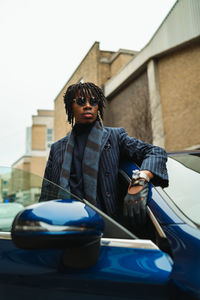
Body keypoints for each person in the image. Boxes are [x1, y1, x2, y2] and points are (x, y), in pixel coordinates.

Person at [40, 82, 168, 228]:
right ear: (70, 106)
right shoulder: (57, 148)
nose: (88, 105)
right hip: (66, 228)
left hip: (108, 230)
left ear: (98, 106)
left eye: (93, 101)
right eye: (81, 101)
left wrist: (139, 180)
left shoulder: (115, 137)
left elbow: (156, 152)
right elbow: (47, 195)